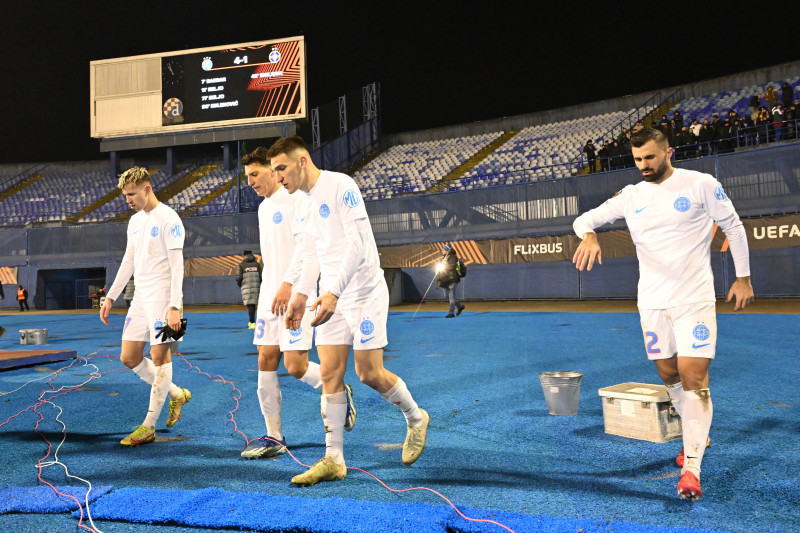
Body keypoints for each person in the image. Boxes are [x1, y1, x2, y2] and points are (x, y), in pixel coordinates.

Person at [572, 127, 753, 501]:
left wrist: (743, 278)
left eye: (650, 157)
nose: (643, 165)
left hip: (694, 298)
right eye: (637, 159)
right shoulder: (632, 195)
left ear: (668, 152)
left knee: (693, 375)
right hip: (652, 302)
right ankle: (696, 431)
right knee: (667, 373)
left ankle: (692, 467)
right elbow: (583, 219)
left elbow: (733, 226)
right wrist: (589, 234)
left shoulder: (700, 184)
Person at [272, 135, 429, 486]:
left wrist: (333, 292)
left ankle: (416, 418)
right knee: (329, 373)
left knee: (369, 373)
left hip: (362, 294)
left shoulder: (341, 185)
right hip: (329, 296)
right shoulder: (300, 203)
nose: (277, 176)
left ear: (301, 161)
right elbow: (311, 252)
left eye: (280, 167)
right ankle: (334, 459)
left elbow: (357, 244)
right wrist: (300, 294)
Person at [238, 146, 356, 460]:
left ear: (273, 170)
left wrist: (289, 285)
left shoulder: (296, 200)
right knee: (265, 359)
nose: (250, 182)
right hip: (268, 296)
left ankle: (338, 389)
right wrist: (271, 285)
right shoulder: (264, 208)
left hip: (293, 294)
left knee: (295, 366)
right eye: (247, 176)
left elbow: (307, 248)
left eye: (255, 174)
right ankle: (274, 436)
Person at [99, 167, 192, 447]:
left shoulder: (169, 219)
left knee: (161, 356)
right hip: (140, 296)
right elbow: (128, 261)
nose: (128, 200)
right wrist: (111, 296)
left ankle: (148, 426)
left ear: (147, 189)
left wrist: (175, 306)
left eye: (132, 194)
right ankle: (177, 394)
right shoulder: (135, 221)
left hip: (165, 298)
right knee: (128, 357)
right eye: (125, 195)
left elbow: (178, 267)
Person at [234, 250, 262, 329]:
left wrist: (240, 285)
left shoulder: (241, 265)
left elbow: (238, 277)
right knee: (260, 305)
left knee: (251, 305)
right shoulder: (257, 265)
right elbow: (262, 276)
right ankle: (261, 322)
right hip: (258, 287)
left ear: (244, 256)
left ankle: (252, 323)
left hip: (246, 287)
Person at [436, 244, 465, 318]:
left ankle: (451, 313)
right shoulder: (445, 258)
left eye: (443, 250)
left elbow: (451, 267)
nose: (442, 251)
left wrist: (444, 268)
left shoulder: (453, 258)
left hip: (452, 279)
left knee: (451, 297)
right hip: (445, 280)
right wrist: (439, 278)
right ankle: (460, 306)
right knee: (447, 296)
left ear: (447, 250)